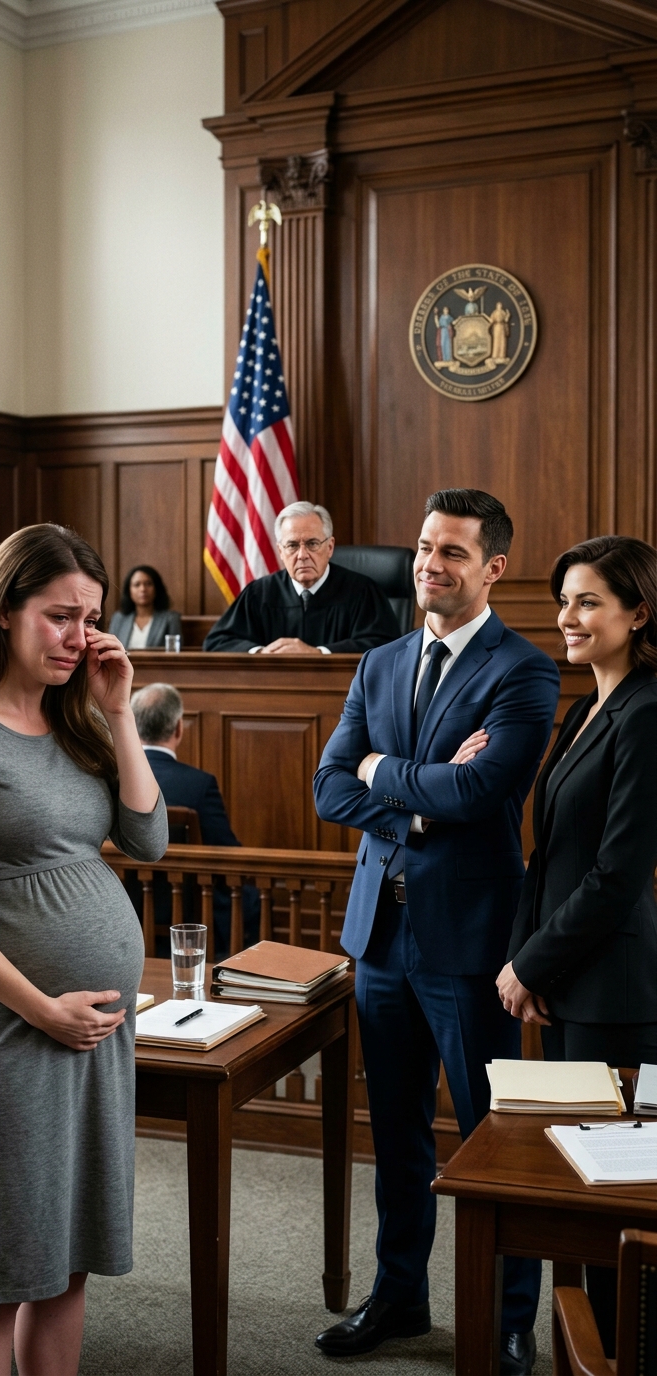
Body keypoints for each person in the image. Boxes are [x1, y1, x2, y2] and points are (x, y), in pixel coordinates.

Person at [0, 523, 168, 1376]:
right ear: (4, 611)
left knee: (67, 1264)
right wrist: (44, 1009)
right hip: (7, 1038)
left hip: (93, 1039)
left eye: (91, 619)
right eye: (60, 616)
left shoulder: (78, 718)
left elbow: (149, 839)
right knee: (0, 1276)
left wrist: (119, 713)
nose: (80, 636)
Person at [312, 488, 559, 1373]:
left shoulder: (524, 670)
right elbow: (329, 785)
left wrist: (382, 771)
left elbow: (481, 791)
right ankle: (400, 1296)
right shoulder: (379, 662)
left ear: (493, 568)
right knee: (397, 1131)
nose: (429, 564)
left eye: (452, 551)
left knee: (495, 1137)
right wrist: (417, 794)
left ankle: (509, 1319)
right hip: (381, 937)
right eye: (424, 547)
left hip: (472, 941)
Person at [497, 534, 657, 1358]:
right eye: (564, 600)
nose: (568, 616)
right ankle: (590, 1355)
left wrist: (531, 963)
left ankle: (624, 1357)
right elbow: (548, 854)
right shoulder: (585, 706)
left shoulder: (649, 712)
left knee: (617, 1203)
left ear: (639, 612)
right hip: (569, 981)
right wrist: (527, 960)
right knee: (576, 1189)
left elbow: (617, 875)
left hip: (615, 995)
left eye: (589, 601)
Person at [130, 682, 259, 953]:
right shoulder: (199, 785)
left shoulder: (113, 779)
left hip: (125, 917)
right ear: (179, 728)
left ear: (133, 725)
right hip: (188, 925)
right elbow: (228, 854)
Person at [203, 501, 399, 654]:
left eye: (312, 544)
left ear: (330, 547)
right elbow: (217, 642)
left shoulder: (362, 592)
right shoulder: (259, 593)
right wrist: (262, 653)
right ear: (281, 551)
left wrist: (319, 653)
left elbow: (385, 645)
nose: (302, 555)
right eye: (292, 545)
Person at [109, 565, 181, 650]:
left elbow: (174, 653)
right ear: (129, 590)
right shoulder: (118, 619)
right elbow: (111, 649)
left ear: (157, 588)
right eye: (137, 585)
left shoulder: (170, 619)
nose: (143, 589)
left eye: (148, 584)